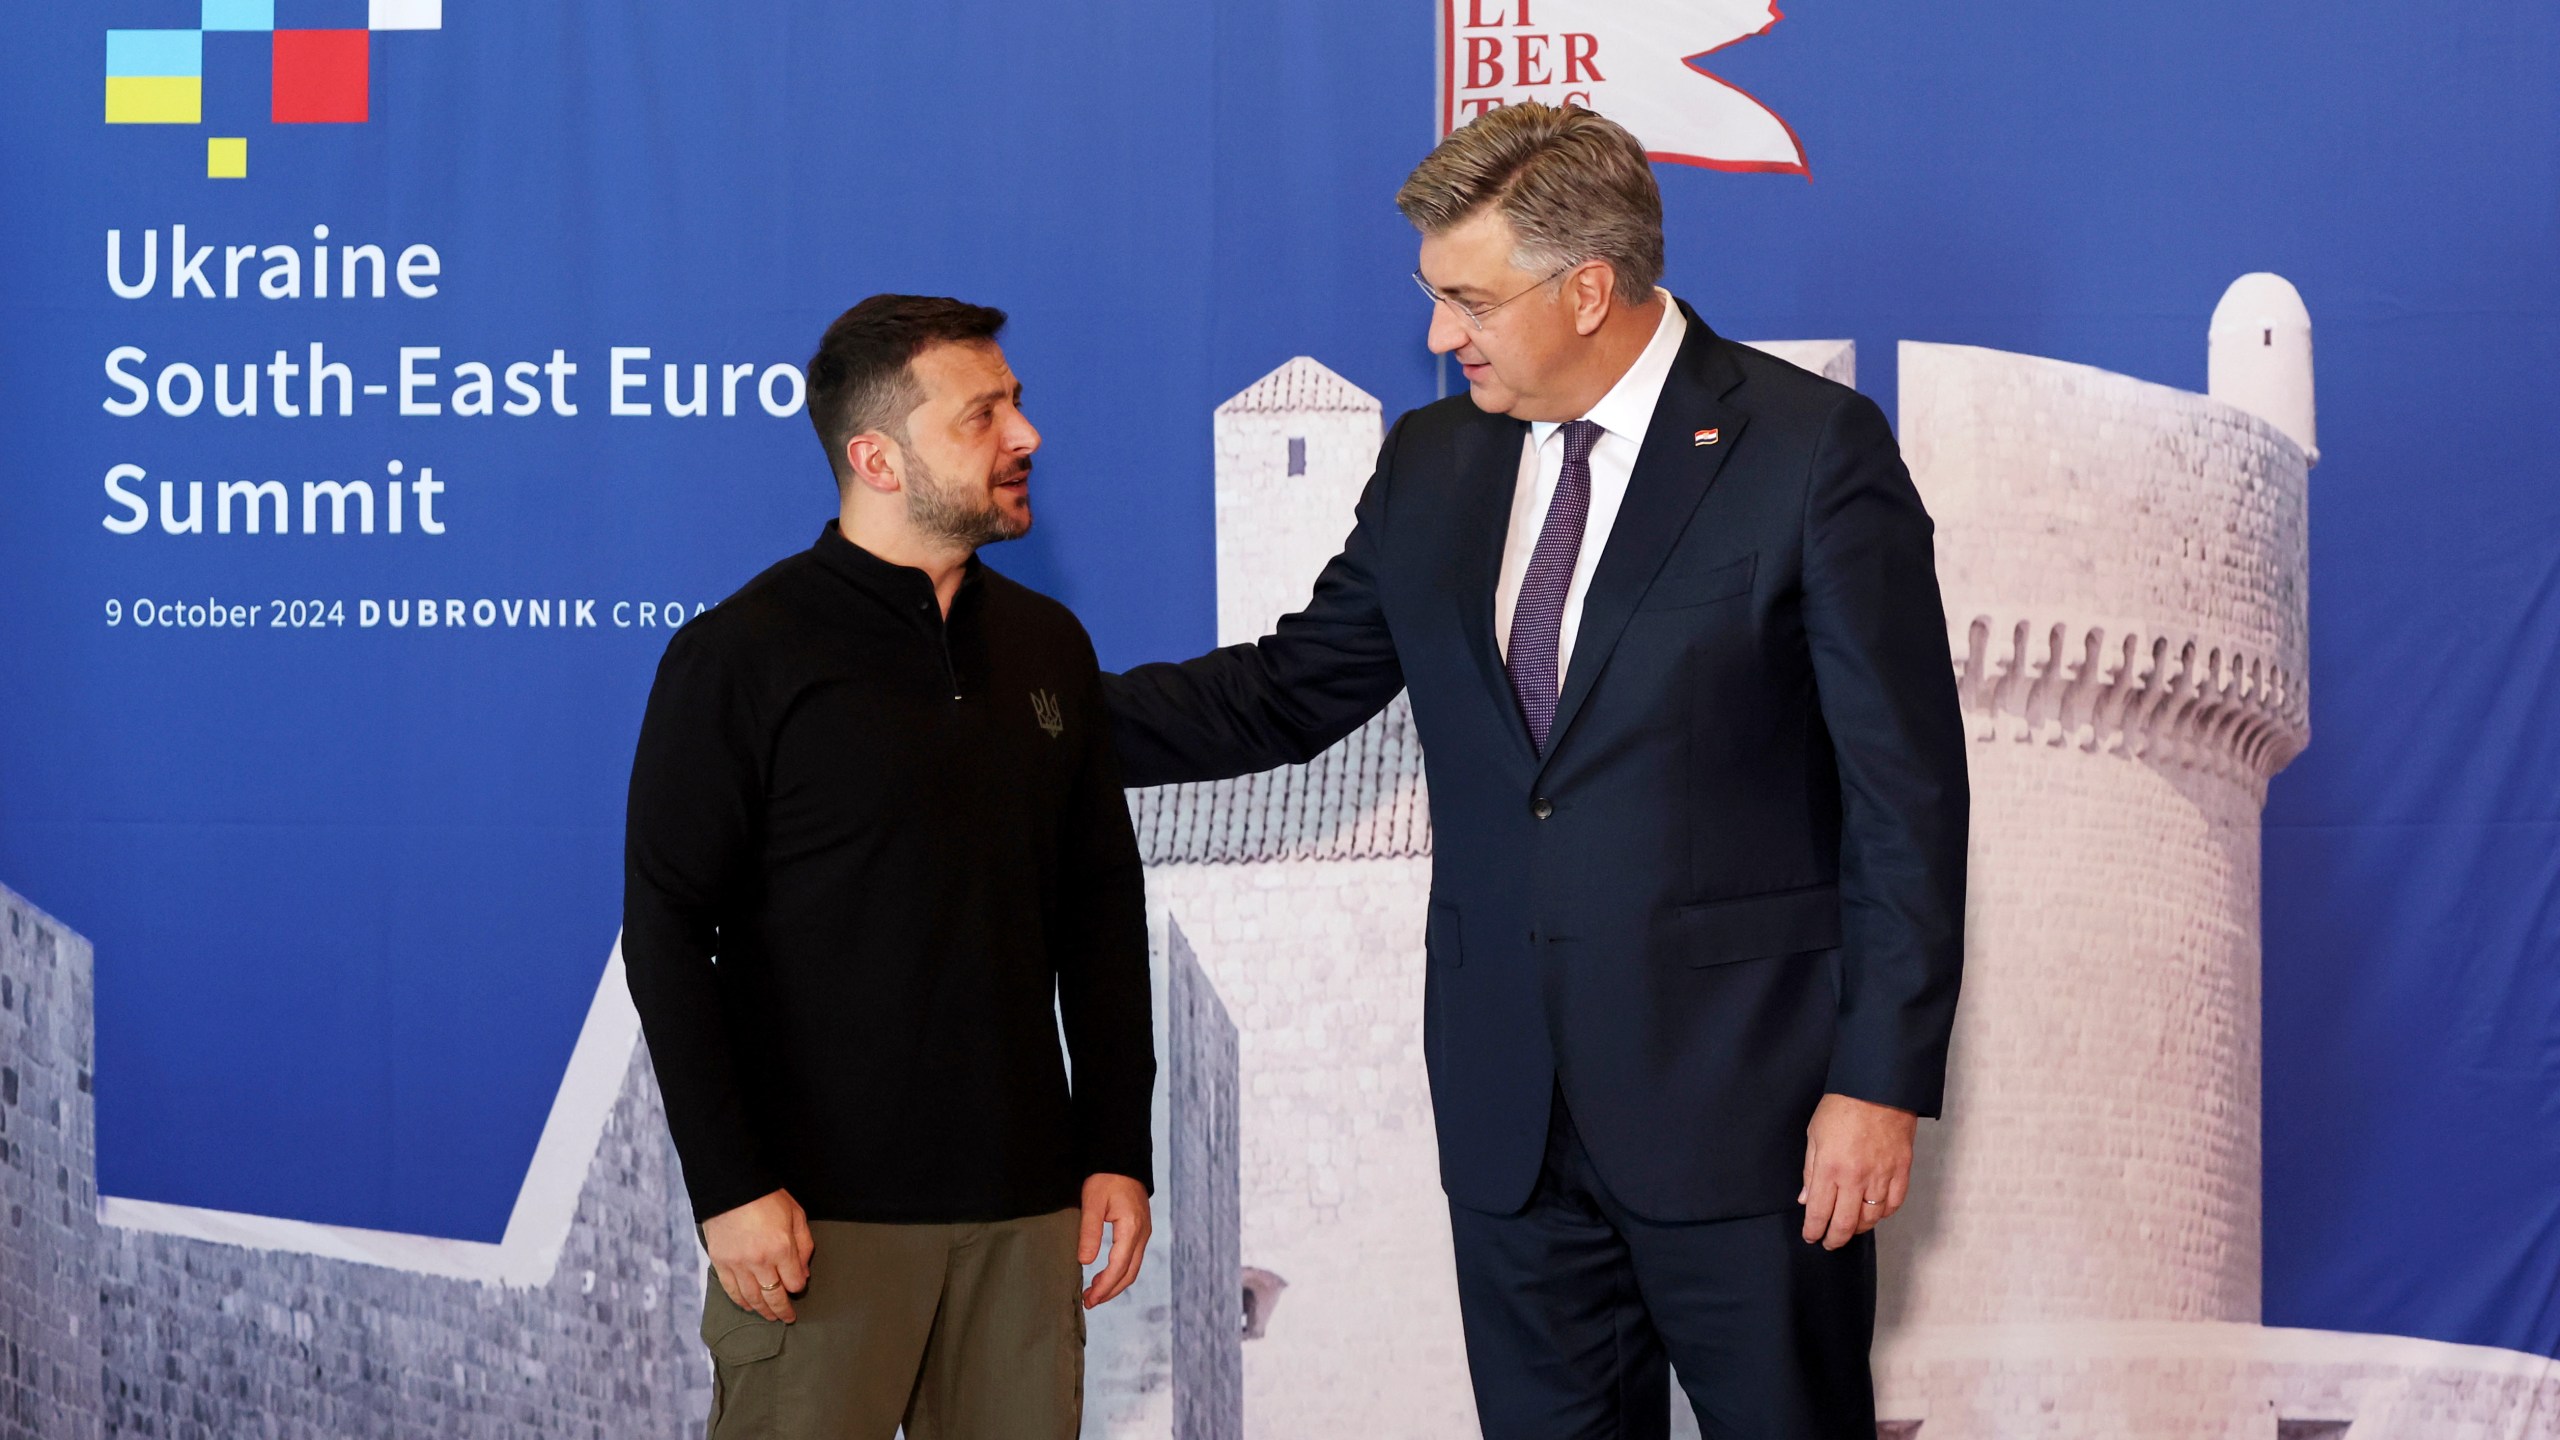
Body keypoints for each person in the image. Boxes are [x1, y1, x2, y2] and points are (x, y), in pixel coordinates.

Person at [1104, 104, 1968, 1437]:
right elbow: (1287, 693)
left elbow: (1904, 800)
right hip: (1513, 1127)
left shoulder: (1808, 454)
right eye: (1433, 299)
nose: (1441, 337)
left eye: (1467, 301)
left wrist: (1880, 1083)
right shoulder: (1434, 463)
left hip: (1752, 1125)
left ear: (1588, 290)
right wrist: (1016, 716)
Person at [623, 294, 1156, 1440]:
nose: (1026, 436)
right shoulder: (741, 655)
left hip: (1025, 1217)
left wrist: (1116, 1146)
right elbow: (668, 932)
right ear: (875, 456)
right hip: (813, 1227)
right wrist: (730, 1187)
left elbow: (1102, 911)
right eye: (982, 416)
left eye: (1015, 403)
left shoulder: (1047, 646)